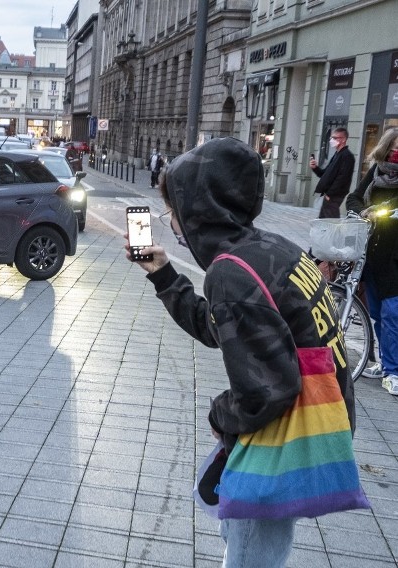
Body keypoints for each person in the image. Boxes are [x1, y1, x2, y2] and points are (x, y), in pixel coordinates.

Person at [128, 138, 353, 567]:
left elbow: (265, 391)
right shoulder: (272, 248)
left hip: (283, 434)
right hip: (322, 419)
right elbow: (219, 329)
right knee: (246, 534)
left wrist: (220, 416)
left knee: (251, 553)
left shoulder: (231, 273)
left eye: (173, 212)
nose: (173, 223)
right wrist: (162, 274)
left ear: (199, 211)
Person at [346, 127, 398, 394]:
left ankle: (393, 371)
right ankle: (384, 363)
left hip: (395, 258)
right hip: (373, 254)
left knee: (392, 314)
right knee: (377, 314)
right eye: (394, 148)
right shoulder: (377, 172)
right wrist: (361, 211)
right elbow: (353, 197)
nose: (396, 154)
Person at [309, 127, 355, 218]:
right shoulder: (337, 154)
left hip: (334, 195)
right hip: (330, 194)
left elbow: (342, 178)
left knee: (330, 221)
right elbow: (325, 173)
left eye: (334, 138)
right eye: (331, 138)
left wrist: (330, 194)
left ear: (343, 140)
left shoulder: (347, 156)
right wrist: (315, 168)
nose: (331, 140)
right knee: (324, 221)